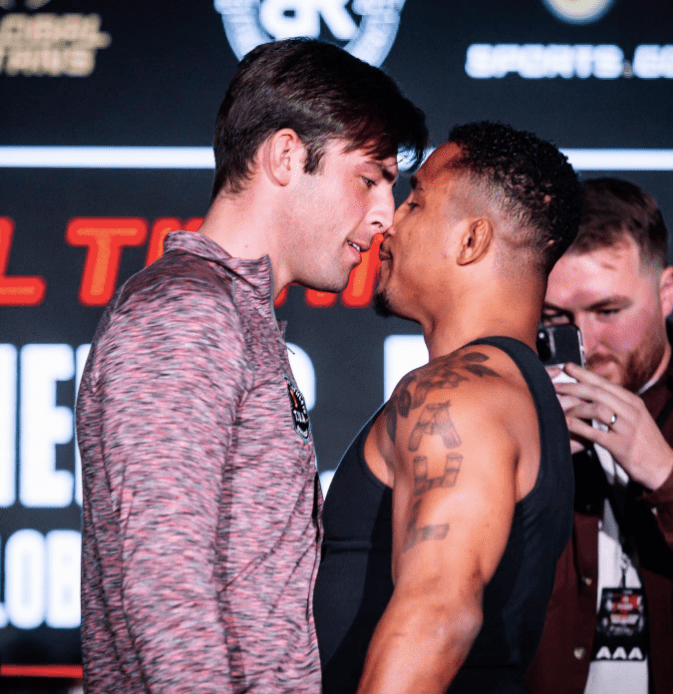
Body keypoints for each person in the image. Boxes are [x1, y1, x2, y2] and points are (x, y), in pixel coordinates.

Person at [76, 38, 427, 694]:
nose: (384, 215)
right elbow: (163, 585)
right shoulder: (184, 313)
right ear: (286, 156)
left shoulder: (234, 315)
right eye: (369, 177)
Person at [313, 121, 582, 694]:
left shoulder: (458, 393)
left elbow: (438, 615)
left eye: (416, 201)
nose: (387, 220)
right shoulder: (515, 390)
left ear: (471, 241)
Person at [524, 178, 673, 694]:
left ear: (666, 291)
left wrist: (665, 475)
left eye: (608, 311)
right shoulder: (517, 413)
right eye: (557, 319)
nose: (585, 342)